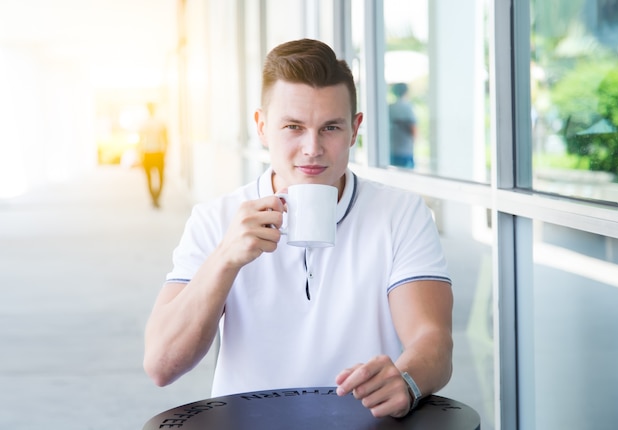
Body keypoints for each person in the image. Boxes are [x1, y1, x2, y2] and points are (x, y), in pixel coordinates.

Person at [143, 39, 453, 419]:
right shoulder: (215, 218)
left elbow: (433, 341)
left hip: (365, 425)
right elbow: (161, 365)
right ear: (261, 127)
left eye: (330, 128)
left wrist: (406, 379)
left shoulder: (401, 213)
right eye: (293, 127)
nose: (312, 148)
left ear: (354, 130)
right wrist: (225, 259)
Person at [138, 102, 168, 208]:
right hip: (156, 152)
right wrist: (165, 152)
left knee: (150, 178)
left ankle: (154, 198)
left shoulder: (145, 123)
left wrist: (140, 154)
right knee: (159, 177)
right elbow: (166, 139)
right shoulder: (160, 123)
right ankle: (156, 198)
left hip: (149, 153)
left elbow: (140, 141)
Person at [389, 82, 418, 168]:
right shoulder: (407, 107)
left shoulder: (390, 107)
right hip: (405, 152)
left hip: (392, 150)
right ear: (406, 92)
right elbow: (413, 128)